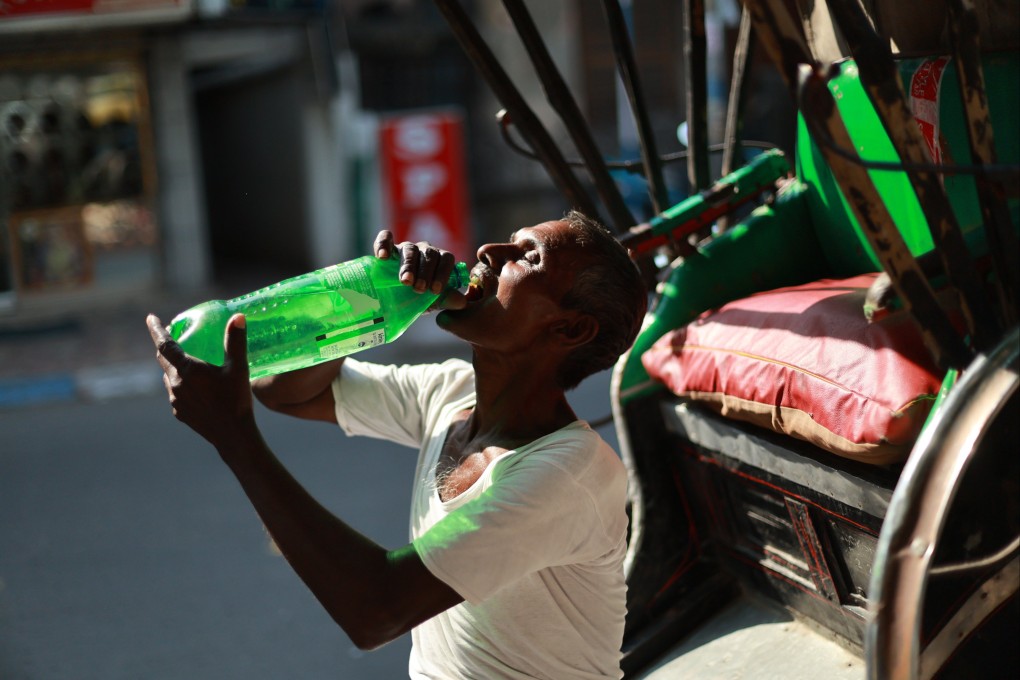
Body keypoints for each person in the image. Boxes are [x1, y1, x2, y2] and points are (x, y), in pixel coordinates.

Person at [146, 210, 648, 679]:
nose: (489, 252)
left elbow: (376, 611)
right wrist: (366, 300)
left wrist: (235, 438)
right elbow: (289, 393)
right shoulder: (450, 395)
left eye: (527, 257)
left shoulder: (568, 475)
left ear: (571, 327)